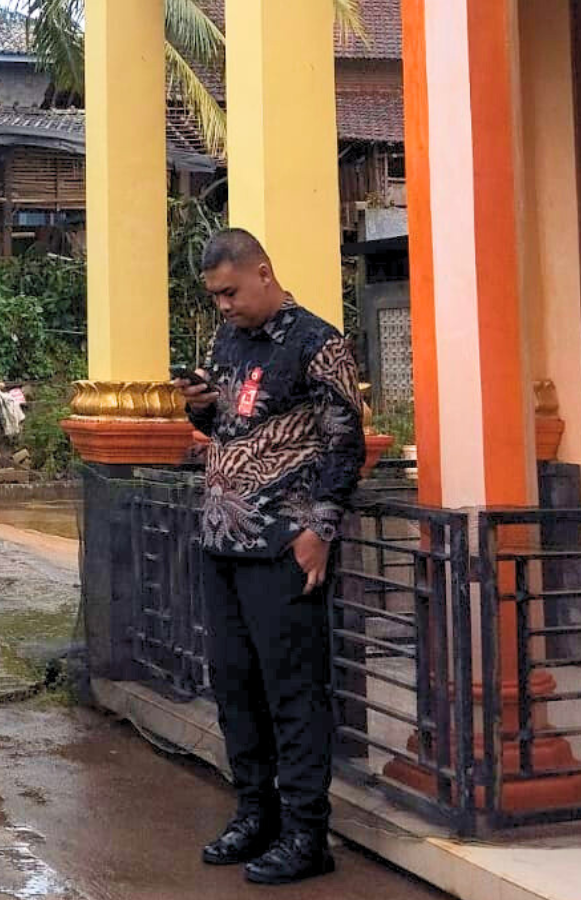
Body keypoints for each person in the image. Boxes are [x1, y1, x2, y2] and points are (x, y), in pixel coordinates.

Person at [175, 229, 364, 886]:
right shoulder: (227, 342)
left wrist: (321, 528)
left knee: (293, 691)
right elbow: (227, 429)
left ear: (263, 273)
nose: (223, 306)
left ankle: (306, 833)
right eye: (215, 296)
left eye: (230, 292)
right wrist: (201, 409)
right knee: (235, 685)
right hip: (222, 542)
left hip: (285, 545)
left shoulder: (318, 344)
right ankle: (255, 814)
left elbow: (345, 445)